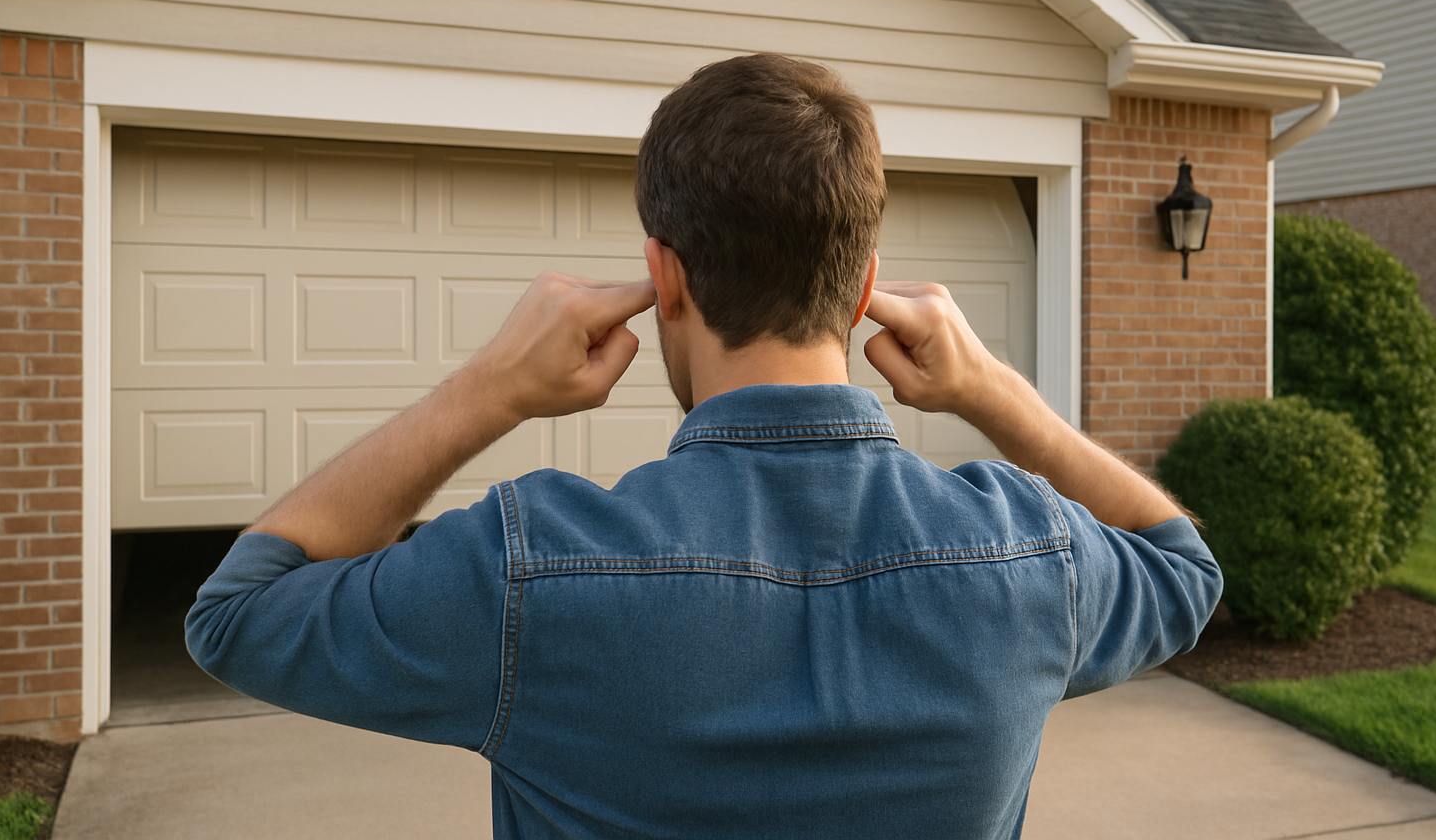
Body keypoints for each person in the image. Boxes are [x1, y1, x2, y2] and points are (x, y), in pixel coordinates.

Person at [187, 53, 1221, 839]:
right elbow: (1184, 563)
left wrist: (485, 390)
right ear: (864, 285)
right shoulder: (1029, 555)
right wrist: (999, 396)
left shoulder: (531, 570)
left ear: (665, 276)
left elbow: (238, 612)